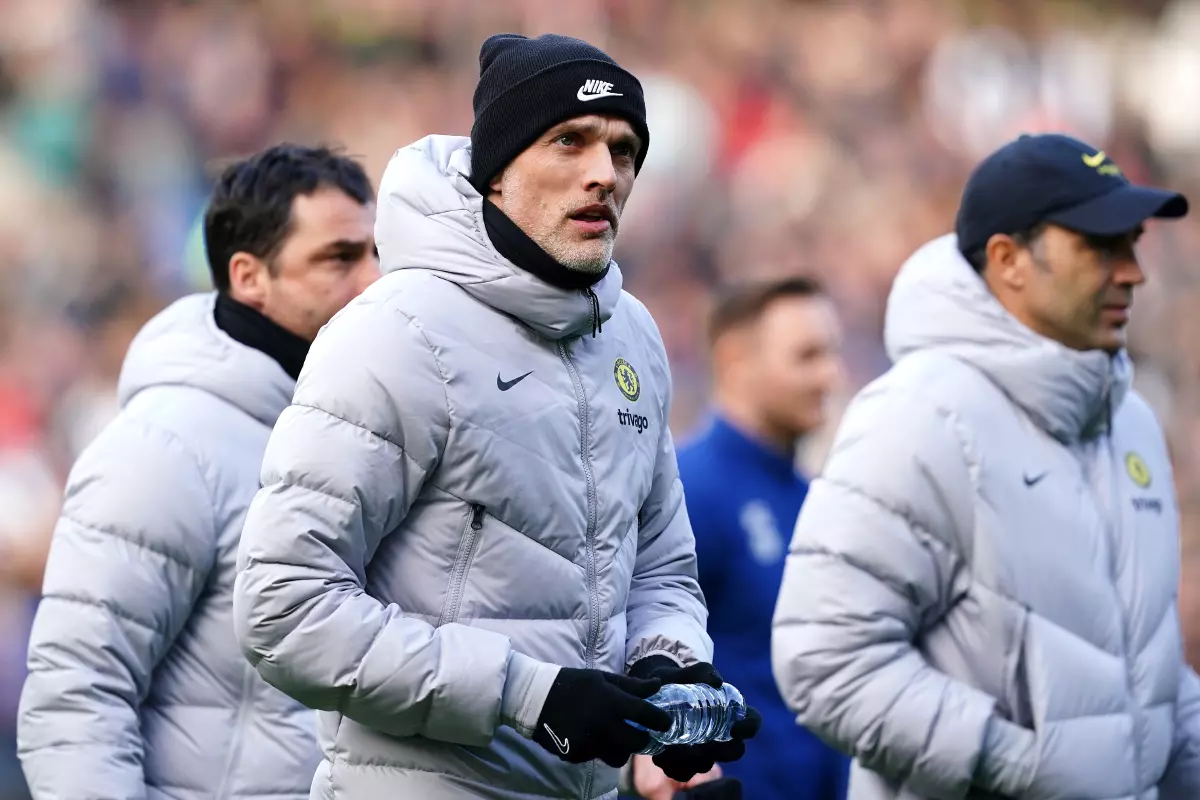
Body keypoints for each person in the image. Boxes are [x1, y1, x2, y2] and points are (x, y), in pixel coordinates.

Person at [232, 33, 760, 800]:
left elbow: (662, 568)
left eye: (624, 150)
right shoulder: (396, 331)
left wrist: (666, 668)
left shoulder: (634, 336)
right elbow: (283, 607)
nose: (603, 174)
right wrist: (528, 695)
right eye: (569, 142)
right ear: (497, 170)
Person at [771, 131, 1200, 799]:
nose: (1132, 272)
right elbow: (826, 661)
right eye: (1100, 246)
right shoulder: (917, 417)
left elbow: (1147, 663)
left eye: (1133, 245)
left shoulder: (1131, 422)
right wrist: (1020, 768)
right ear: (1008, 260)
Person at [16, 143, 381, 799]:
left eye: (376, 252)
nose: (372, 281)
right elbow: (75, 701)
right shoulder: (164, 447)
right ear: (248, 276)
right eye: (339, 258)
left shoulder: (361, 435)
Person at [624, 277, 850, 800]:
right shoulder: (690, 490)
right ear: (735, 360)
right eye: (807, 356)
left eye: (833, 353)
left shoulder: (813, 498)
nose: (831, 376)